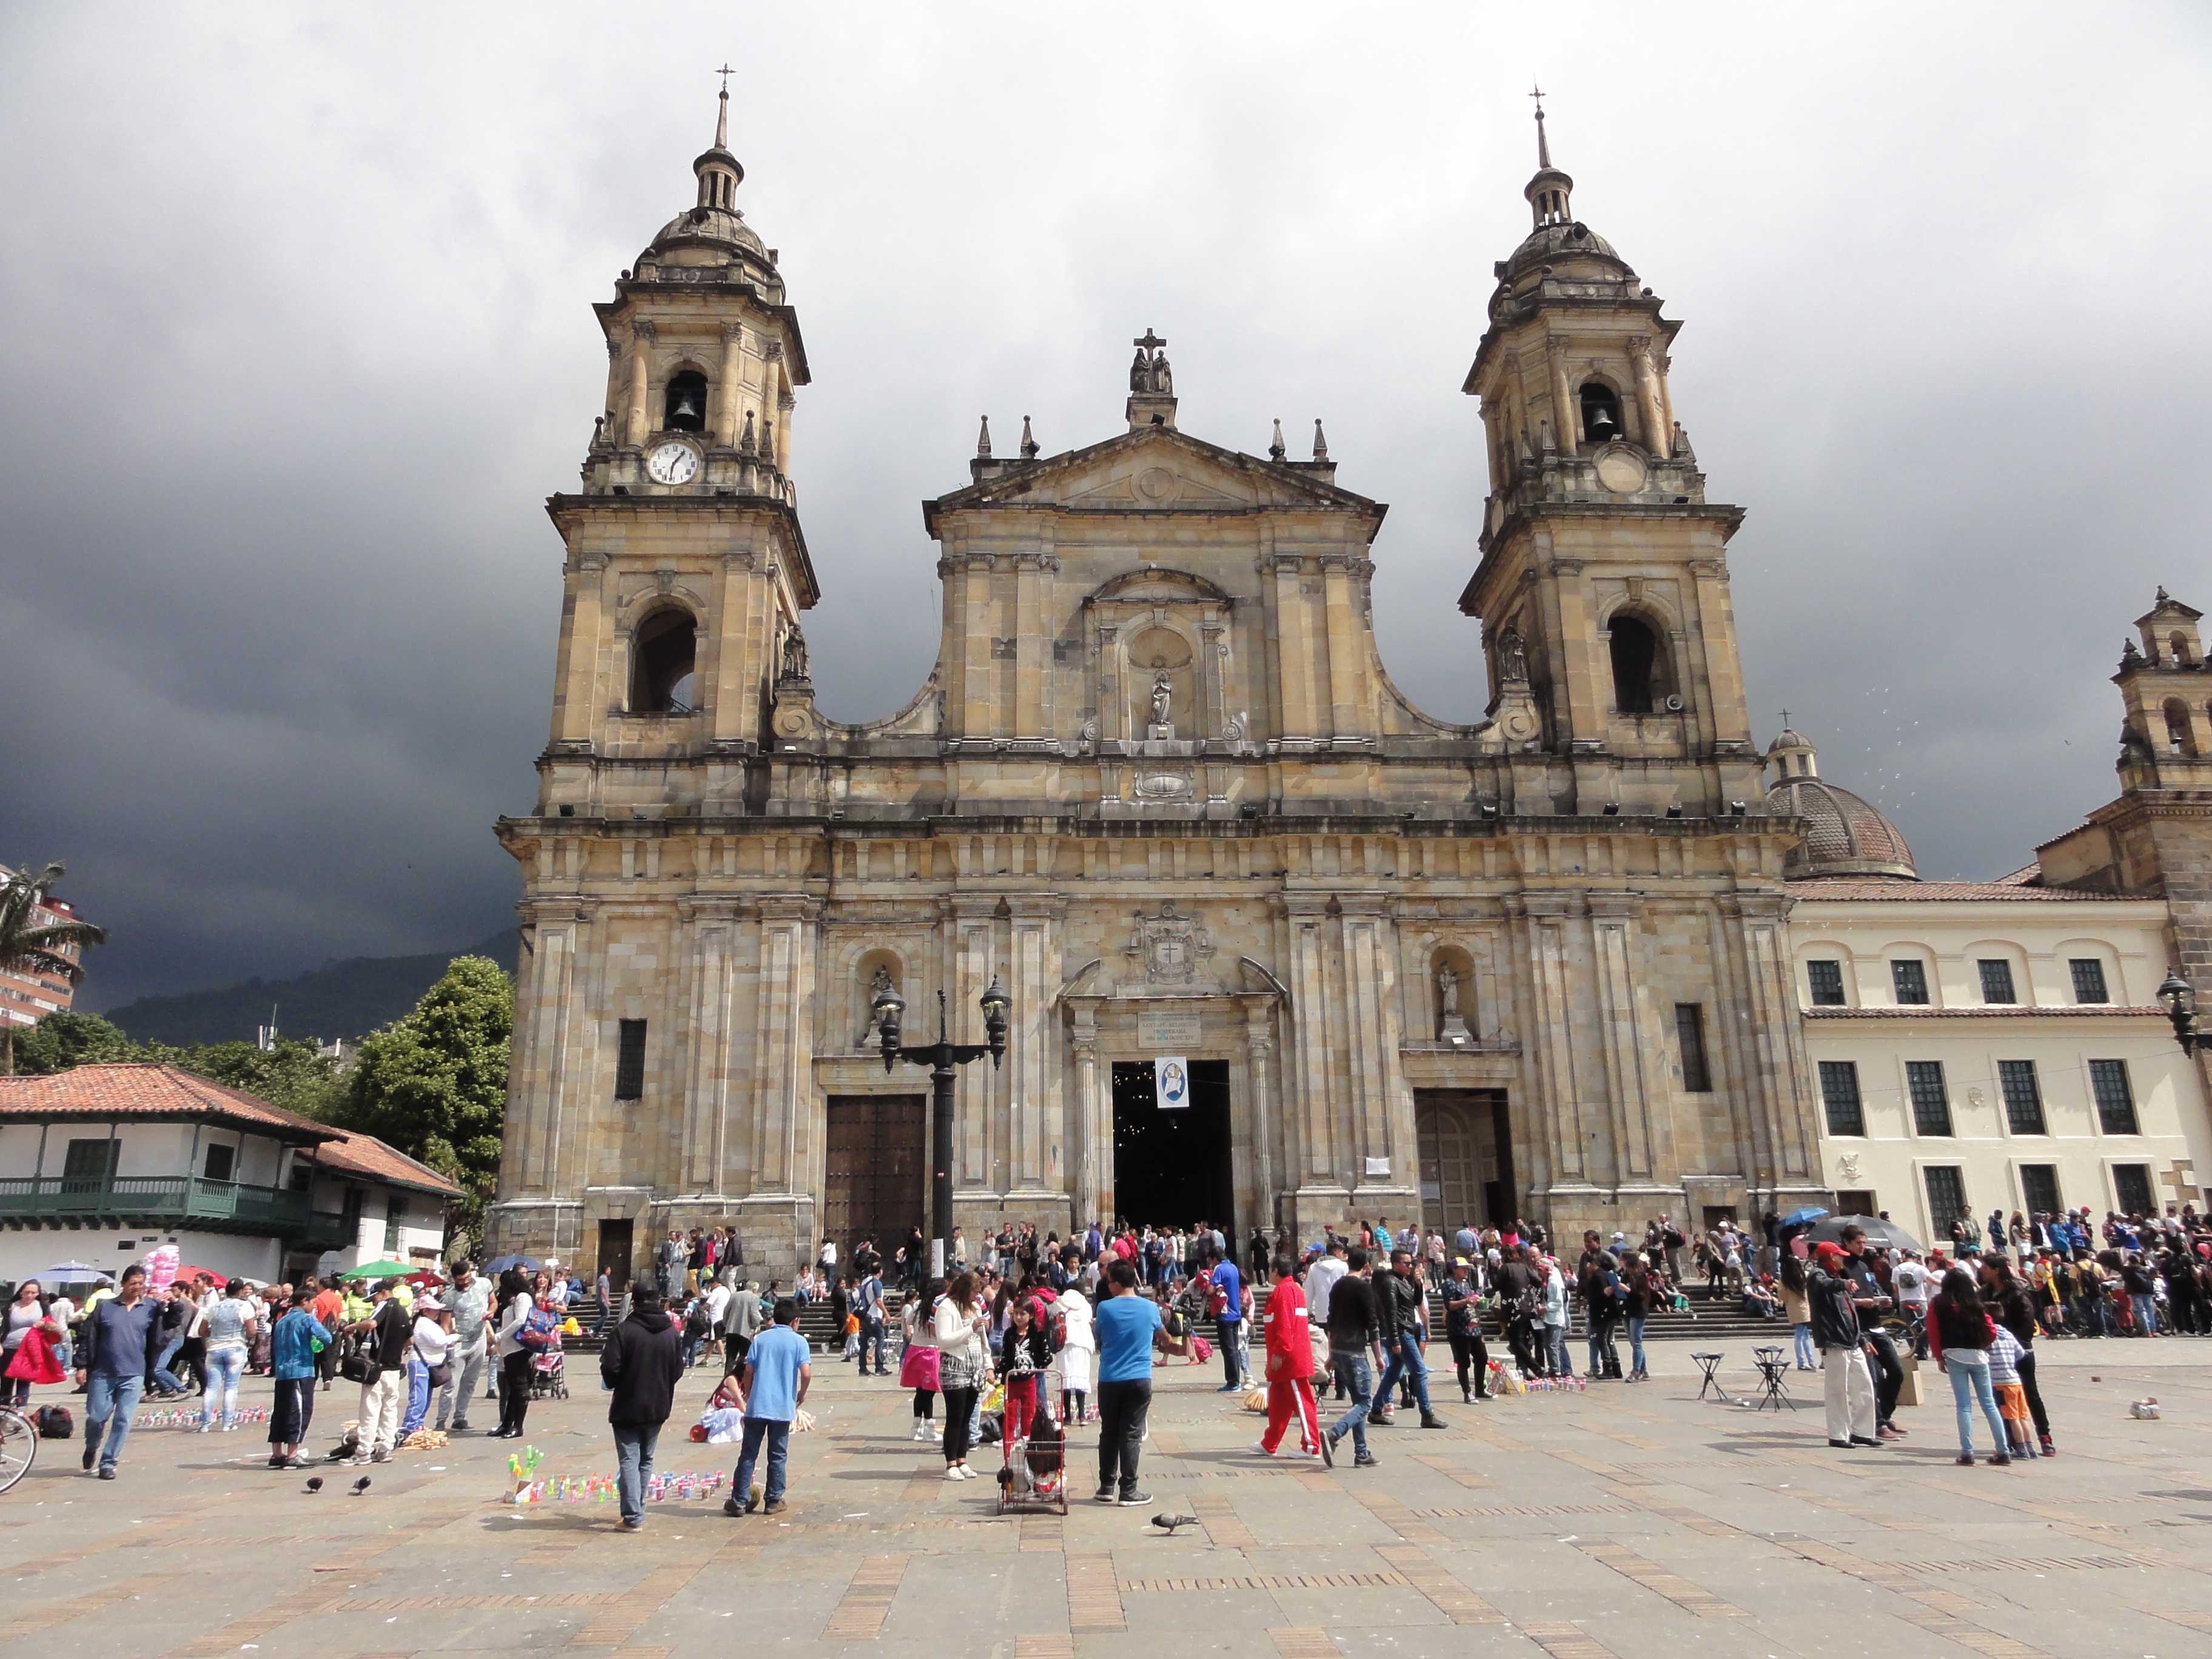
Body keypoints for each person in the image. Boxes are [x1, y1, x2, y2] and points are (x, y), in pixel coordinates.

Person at [1094, 1256, 1187, 1506]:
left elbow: (1099, 1337)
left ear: (1116, 1284)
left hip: (1110, 1379)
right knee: (1131, 1434)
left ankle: (1106, 1486)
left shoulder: (1105, 1308)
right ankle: (1129, 1489)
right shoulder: (1150, 1309)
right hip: (1139, 1378)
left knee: (1109, 1432)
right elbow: (1165, 1339)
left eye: (1109, 1281)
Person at [601, 1279, 683, 1531]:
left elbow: (610, 1369)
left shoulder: (624, 1331)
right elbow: (678, 1370)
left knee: (629, 1459)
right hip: (659, 1405)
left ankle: (633, 1516)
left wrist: (620, 1380)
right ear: (659, 1302)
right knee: (645, 1460)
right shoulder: (671, 1332)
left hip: (628, 1404)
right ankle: (638, 1509)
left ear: (634, 1303)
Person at [723, 1298, 811, 1517]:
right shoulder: (799, 1342)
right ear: (795, 1321)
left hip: (757, 1406)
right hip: (782, 1408)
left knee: (748, 1454)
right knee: (778, 1455)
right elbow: (806, 1373)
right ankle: (773, 1500)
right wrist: (801, 1393)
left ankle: (739, 1501)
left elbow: (748, 1371)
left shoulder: (761, 1339)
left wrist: (750, 1393)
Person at [77, 1262, 156, 1478]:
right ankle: (92, 1446)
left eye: (141, 1283)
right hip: (103, 1372)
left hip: (134, 1374)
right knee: (96, 1418)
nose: (137, 1287)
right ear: (122, 1284)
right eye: (133, 1283)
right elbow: (87, 1336)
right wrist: (82, 1365)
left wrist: (176, 1305)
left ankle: (108, 1462)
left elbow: (166, 1330)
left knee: (123, 1419)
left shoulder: (150, 1307)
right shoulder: (105, 1306)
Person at [1928, 1265, 2010, 1466]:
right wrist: (1983, 1344)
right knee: (1989, 1404)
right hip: (1978, 1355)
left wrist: (1939, 1357)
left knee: (1964, 1406)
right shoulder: (1975, 1303)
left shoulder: (1939, 1303)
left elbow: (1933, 1331)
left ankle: (1967, 1452)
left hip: (1954, 1355)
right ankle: (2003, 1451)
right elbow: (1991, 1330)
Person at [1808, 1242, 1879, 1452]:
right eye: (1839, 1256)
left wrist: (1862, 1339)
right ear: (1831, 1256)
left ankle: (1863, 1431)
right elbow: (1823, 1284)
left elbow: (1850, 1313)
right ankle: (1838, 1434)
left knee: (1864, 1385)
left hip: (1851, 1340)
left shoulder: (1839, 1278)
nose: (1843, 1259)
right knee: (1837, 1389)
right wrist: (1843, 1284)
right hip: (1834, 1340)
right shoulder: (1818, 1275)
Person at [1253, 1253, 1323, 1462]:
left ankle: (1312, 1446)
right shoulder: (1294, 1289)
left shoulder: (1283, 1291)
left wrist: (1279, 1352)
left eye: (1270, 1269)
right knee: (1278, 1403)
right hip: (1289, 1355)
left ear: (1275, 1271)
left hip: (1289, 1357)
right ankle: (1270, 1443)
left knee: (1301, 1401)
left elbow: (1285, 1325)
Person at [1373, 1249, 1447, 1429]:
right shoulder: (1390, 1282)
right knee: (1420, 1372)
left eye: (1411, 1264)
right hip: (1401, 1331)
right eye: (1407, 1264)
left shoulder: (1404, 1281)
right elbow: (1390, 1313)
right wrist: (1396, 1340)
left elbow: (1415, 1301)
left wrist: (1418, 1282)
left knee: (1395, 1372)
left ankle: (1376, 1409)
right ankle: (1426, 1413)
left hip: (1407, 1329)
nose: (1410, 1266)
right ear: (1396, 1264)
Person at [1322, 1246, 1382, 1467]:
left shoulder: (1338, 1286)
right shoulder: (1363, 1288)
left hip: (1338, 1349)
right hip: (1355, 1350)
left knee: (1358, 1402)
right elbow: (1372, 1324)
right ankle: (1335, 1434)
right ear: (1366, 1266)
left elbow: (1331, 1322)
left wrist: (1330, 1354)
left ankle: (1361, 1453)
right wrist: (1378, 1356)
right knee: (1366, 1403)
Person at [933, 1272, 990, 1480]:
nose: (977, 1296)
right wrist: (969, 1328)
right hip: (954, 1367)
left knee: (968, 1417)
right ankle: (950, 1464)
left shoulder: (975, 1308)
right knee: (955, 1417)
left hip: (975, 1367)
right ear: (966, 1289)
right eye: (975, 1291)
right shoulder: (946, 1308)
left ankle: (962, 1460)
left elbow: (983, 1340)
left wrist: (988, 1365)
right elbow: (944, 1340)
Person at [346, 1279, 411, 1463]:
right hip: (395, 1368)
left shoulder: (386, 1306)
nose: (374, 1302)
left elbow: (372, 1324)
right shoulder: (403, 1311)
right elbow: (410, 1340)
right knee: (390, 1410)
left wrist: (353, 1326)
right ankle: (385, 1449)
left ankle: (364, 1451)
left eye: (374, 1298)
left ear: (383, 1293)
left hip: (378, 1368)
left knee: (370, 1410)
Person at [267, 1289, 324, 1469]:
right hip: (301, 1369)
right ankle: (293, 1454)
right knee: (299, 1411)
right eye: (313, 1301)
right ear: (305, 1301)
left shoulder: (282, 1320)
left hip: (282, 1371)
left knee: (281, 1412)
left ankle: (277, 1453)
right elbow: (326, 1336)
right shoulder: (307, 1319)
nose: (314, 1305)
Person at [437, 1262, 491, 1433]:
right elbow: (445, 1322)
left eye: (468, 1277)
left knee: (470, 1382)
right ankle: (441, 1419)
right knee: (451, 1382)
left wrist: (491, 1311)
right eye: (461, 1280)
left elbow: (493, 1302)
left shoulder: (483, 1284)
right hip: (459, 1341)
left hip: (479, 1338)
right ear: (454, 1279)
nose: (466, 1281)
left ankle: (460, 1417)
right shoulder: (450, 1295)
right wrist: (449, 1342)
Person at [198, 1279, 257, 1433]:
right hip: (235, 1348)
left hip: (214, 1349)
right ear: (240, 1291)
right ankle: (227, 1423)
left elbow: (201, 1331)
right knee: (231, 1387)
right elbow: (252, 1330)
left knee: (211, 1387)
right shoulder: (245, 1306)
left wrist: (214, 1334)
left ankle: (205, 1424)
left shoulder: (215, 1306)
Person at [491, 1269, 538, 1439]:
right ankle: (506, 1423)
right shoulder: (515, 1300)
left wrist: (500, 1336)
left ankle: (518, 1426)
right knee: (512, 1388)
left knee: (520, 1387)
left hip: (519, 1349)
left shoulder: (523, 1297)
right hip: (510, 1349)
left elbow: (520, 1321)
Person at [999, 1298, 1052, 1444]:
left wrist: (1037, 1366)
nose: (1018, 1317)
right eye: (1015, 1313)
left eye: (1022, 1314)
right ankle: (1008, 1458)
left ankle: (1027, 1452)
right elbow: (1005, 1357)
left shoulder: (1038, 1334)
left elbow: (1046, 1357)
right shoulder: (1009, 1334)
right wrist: (1001, 1375)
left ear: (1031, 1316)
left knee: (1029, 1417)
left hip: (1029, 1381)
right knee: (1010, 1418)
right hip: (1012, 1382)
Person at [402, 1293, 452, 1437]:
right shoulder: (423, 1322)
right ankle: (410, 1427)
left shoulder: (429, 1323)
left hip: (429, 1364)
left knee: (426, 1398)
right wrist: (454, 1337)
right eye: (433, 1309)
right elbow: (437, 1341)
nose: (437, 1312)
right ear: (424, 1311)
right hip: (420, 1364)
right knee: (419, 1398)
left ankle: (418, 1425)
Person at [1442, 1258, 1490, 1403]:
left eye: (1467, 1269)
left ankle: (1480, 1389)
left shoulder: (1466, 1284)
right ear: (1454, 1270)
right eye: (1463, 1269)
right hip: (1459, 1329)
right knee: (1464, 1362)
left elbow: (1471, 1300)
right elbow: (1450, 1305)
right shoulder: (1449, 1284)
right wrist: (1465, 1302)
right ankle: (1467, 1392)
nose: (1466, 1271)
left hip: (1474, 1326)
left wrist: (1476, 1302)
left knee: (1482, 1357)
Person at [903, 1278, 942, 1441]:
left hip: (916, 1349)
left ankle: (915, 1428)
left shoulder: (919, 1304)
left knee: (920, 1391)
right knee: (929, 1393)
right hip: (931, 1351)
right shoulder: (939, 1306)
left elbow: (909, 1320)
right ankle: (929, 1429)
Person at [1052, 1279, 1094, 1426]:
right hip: (1082, 1342)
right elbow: (1089, 1319)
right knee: (1080, 1379)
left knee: (1066, 1379)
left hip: (1065, 1343)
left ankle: (1068, 1416)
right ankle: (1082, 1416)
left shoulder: (1058, 1302)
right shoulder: (1085, 1304)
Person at [1205, 1249, 1245, 1392]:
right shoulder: (1233, 1267)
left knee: (1228, 1349)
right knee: (1233, 1348)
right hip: (1236, 1312)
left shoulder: (1219, 1269)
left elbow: (1210, 1289)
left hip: (1225, 1313)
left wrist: (1207, 1282)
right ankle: (1236, 1380)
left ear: (1215, 1259)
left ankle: (1233, 1382)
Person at [2, 1279, 45, 1407]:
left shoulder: (42, 1306)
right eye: (27, 1292)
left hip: (30, 1349)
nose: (30, 1295)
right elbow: (3, 1327)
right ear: (21, 1292)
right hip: (9, 1347)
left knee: (24, 1381)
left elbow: (50, 1322)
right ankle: (4, 1413)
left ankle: (21, 1413)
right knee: (6, 1382)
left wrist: (43, 1325)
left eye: (34, 1293)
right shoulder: (12, 1306)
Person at [1779, 1251, 1815, 1372]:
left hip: (1793, 1308)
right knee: (1804, 1335)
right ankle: (1809, 1361)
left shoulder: (1785, 1279)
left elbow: (1782, 1295)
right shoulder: (1805, 1275)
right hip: (1805, 1306)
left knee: (1801, 1335)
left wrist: (1787, 1302)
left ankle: (1803, 1361)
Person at [855, 1262, 888, 1377]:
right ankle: (879, 1367)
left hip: (864, 1316)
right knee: (880, 1340)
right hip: (874, 1316)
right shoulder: (876, 1283)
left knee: (864, 1344)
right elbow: (879, 1301)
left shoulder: (866, 1281)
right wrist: (886, 1314)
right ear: (880, 1271)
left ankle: (863, 1369)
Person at [725, 1278, 761, 1373]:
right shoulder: (754, 1298)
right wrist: (757, 1324)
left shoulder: (734, 1295)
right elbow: (754, 1314)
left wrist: (726, 1323)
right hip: (746, 1330)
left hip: (731, 1329)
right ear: (755, 1290)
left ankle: (727, 1375)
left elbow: (726, 1311)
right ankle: (740, 1374)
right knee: (744, 1355)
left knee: (730, 1356)